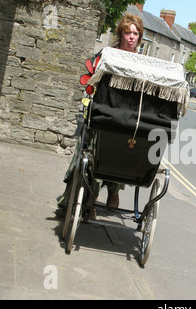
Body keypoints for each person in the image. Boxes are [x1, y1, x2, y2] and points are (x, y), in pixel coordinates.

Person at [57, 14, 144, 218]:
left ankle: (114, 190)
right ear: (120, 34)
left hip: (126, 114)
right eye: (127, 32)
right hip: (102, 109)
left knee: (124, 150)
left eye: (135, 33)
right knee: (94, 154)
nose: (131, 37)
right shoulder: (107, 54)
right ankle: (90, 201)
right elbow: (91, 80)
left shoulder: (142, 63)